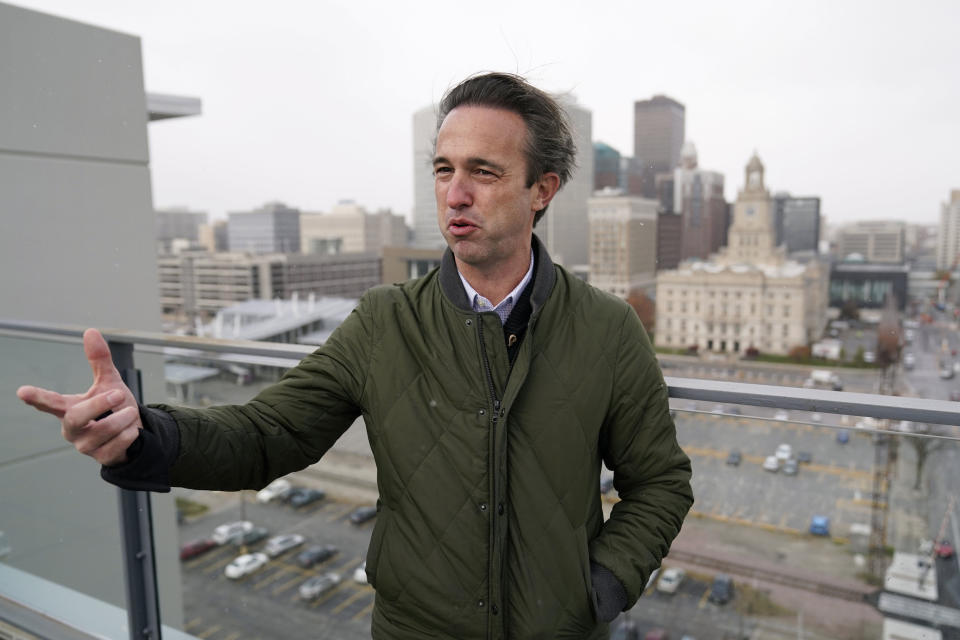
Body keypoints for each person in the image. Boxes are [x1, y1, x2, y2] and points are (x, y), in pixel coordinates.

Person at [18, 72, 693, 639]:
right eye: (443, 170)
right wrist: (143, 437)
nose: (455, 193)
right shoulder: (385, 322)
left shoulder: (606, 329)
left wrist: (599, 588)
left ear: (541, 190)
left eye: (483, 172)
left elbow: (659, 482)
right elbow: (267, 436)